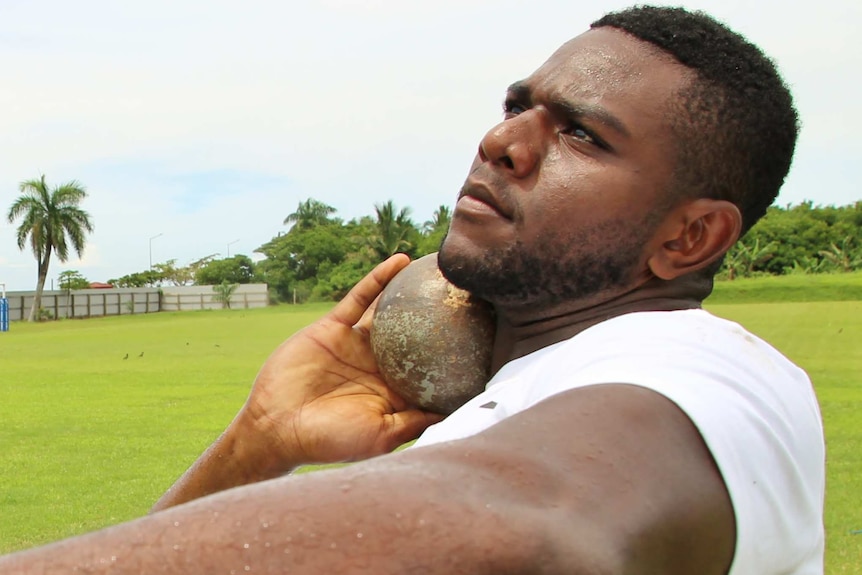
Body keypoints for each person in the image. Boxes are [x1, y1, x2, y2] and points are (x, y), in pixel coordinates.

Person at [0, 5, 824, 574]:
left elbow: (523, 531)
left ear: (690, 237)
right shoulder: (508, 397)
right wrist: (259, 442)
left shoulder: (706, 369)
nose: (501, 140)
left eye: (580, 133)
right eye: (516, 106)